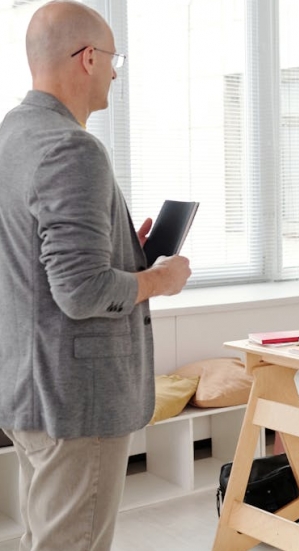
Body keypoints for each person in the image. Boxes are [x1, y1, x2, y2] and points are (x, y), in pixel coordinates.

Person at [0, 3, 192, 550]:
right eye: (113, 60)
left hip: (27, 390)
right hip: (75, 400)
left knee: (46, 537)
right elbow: (80, 291)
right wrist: (160, 278)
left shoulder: (13, 134)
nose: (114, 72)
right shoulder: (72, 149)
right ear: (88, 58)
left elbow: (37, 264)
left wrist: (129, 251)